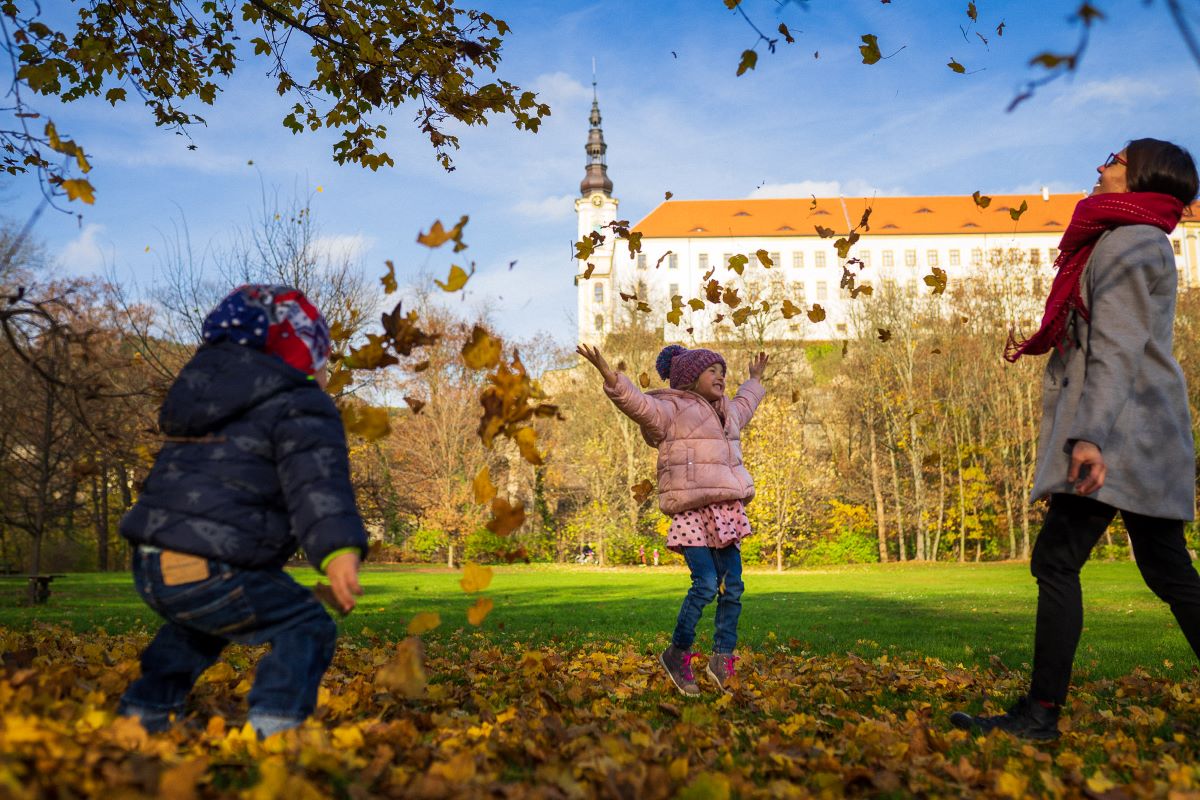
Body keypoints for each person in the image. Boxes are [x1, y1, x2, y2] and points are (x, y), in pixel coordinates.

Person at [951, 139, 1200, 740]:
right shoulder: (1129, 238)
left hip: (1121, 433)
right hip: (1134, 429)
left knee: (1057, 562)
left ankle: (1040, 717)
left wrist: (1088, 436)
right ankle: (1039, 713)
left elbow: (1116, 349)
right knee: (1168, 573)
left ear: (1141, 175)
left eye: (1114, 159)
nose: (1099, 166)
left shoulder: (1128, 242)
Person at [117, 285, 368, 738]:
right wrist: (339, 551)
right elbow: (316, 485)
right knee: (306, 622)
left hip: (153, 562)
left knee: (199, 626)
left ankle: (143, 714)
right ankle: (277, 729)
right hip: (214, 565)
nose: (325, 369)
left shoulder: (202, 399)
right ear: (298, 352)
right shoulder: (302, 404)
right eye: (322, 356)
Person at [577, 342, 767, 695]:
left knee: (733, 587)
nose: (721, 376)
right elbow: (638, 405)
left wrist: (754, 380)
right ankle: (677, 653)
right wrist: (610, 376)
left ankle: (722, 659)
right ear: (690, 378)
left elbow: (746, 402)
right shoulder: (671, 410)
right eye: (712, 371)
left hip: (726, 510)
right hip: (692, 511)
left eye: (723, 371)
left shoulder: (729, 412)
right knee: (707, 584)